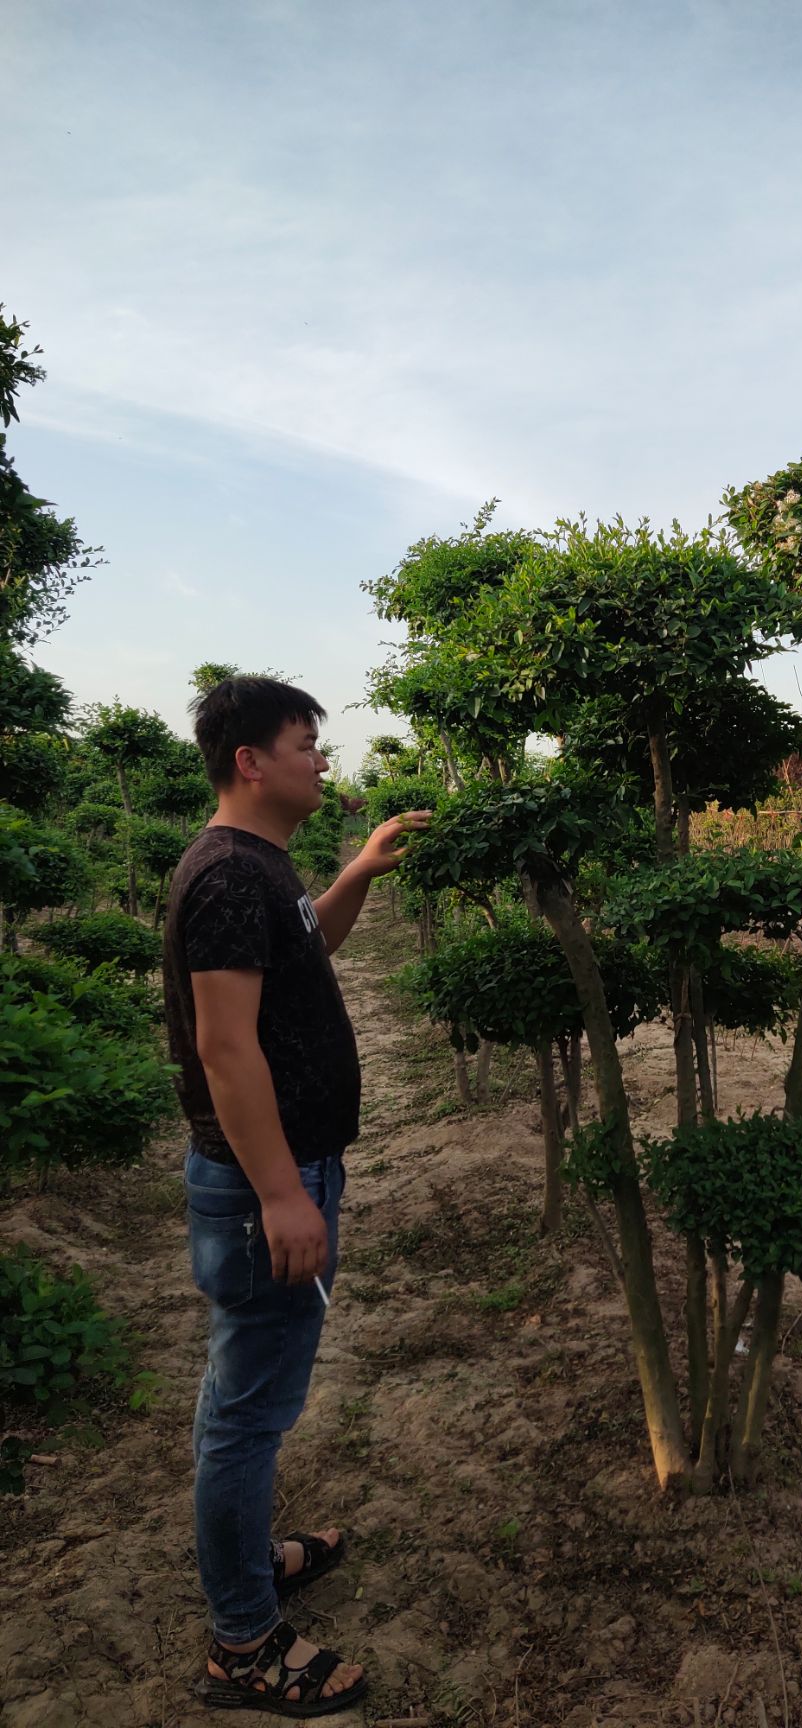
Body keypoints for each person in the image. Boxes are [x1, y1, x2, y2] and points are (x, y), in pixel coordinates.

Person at [162, 675, 428, 1716]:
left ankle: (249, 1563)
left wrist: (359, 869)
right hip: (264, 1183)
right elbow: (227, 1049)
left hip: (287, 1170)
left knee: (246, 1399)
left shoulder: (260, 870)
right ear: (250, 762)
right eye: (306, 742)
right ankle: (244, 1644)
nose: (323, 758)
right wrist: (282, 1194)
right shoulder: (228, 877)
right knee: (245, 1416)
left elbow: (313, 941)